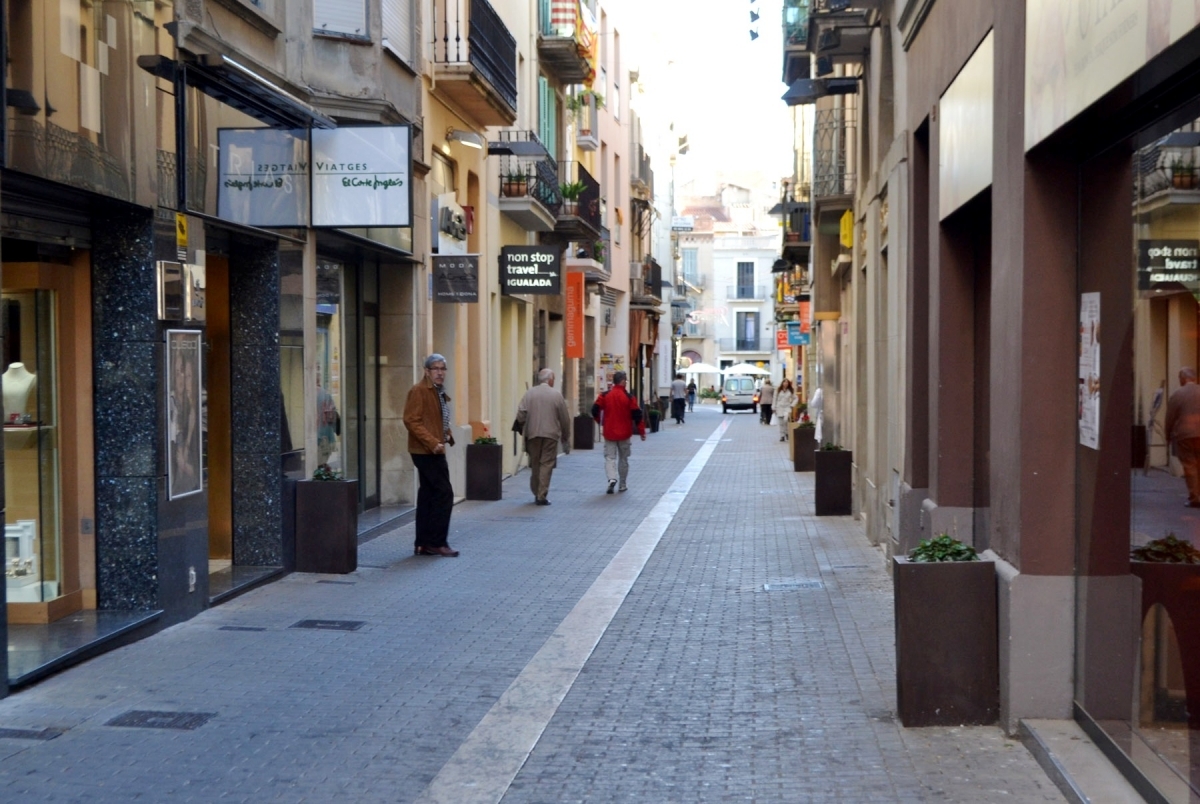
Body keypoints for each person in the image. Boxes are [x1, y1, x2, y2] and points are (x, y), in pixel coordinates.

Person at [403, 354, 459, 556]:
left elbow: (436, 418)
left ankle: (423, 543)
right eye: (435, 369)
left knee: (428, 494)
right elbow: (411, 421)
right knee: (444, 493)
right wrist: (432, 442)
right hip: (427, 451)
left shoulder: (437, 391)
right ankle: (437, 542)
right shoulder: (419, 391)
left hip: (434, 448)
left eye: (443, 369)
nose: (440, 372)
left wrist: (447, 435)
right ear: (426, 371)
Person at [516, 368, 572, 506]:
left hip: (532, 434)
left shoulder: (529, 394)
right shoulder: (556, 395)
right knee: (546, 464)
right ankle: (541, 495)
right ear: (550, 380)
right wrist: (566, 436)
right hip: (550, 435)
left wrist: (523, 426)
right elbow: (564, 419)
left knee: (535, 463)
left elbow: (520, 414)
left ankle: (536, 491)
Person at [592, 370, 645, 494]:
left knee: (610, 457)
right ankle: (622, 484)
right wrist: (642, 432)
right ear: (622, 381)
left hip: (609, 432)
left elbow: (595, 409)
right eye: (625, 380)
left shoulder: (604, 395)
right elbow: (637, 415)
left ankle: (611, 478)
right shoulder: (629, 397)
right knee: (623, 459)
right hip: (625, 433)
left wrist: (599, 421)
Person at [1167, 367, 1200, 507]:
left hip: (1184, 435)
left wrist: (1167, 434)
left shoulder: (1177, 395)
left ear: (1182, 379)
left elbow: (1170, 418)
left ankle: (1195, 498)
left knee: (1190, 465)